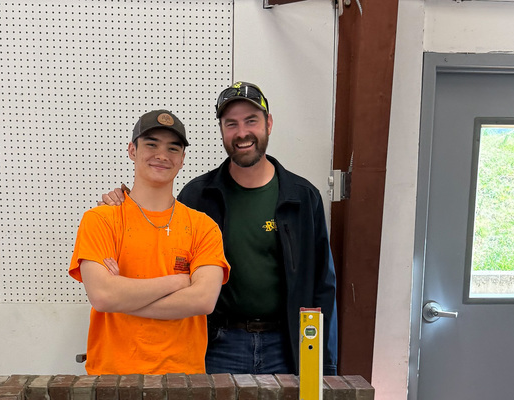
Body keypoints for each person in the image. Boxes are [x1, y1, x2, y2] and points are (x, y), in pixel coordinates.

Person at [102, 82, 338, 376]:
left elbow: (323, 287)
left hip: (287, 345)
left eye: (251, 121)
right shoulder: (199, 196)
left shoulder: (303, 197)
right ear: (222, 131)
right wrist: (125, 203)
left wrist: (324, 364)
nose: (242, 133)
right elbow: (159, 224)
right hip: (218, 344)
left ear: (269, 123)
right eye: (231, 124)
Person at [70, 110, 230, 376]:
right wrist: (178, 282)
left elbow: (203, 301)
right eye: (151, 144)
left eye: (172, 148)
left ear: (182, 160)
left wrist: (124, 297)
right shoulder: (100, 219)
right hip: (113, 379)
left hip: (185, 381)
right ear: (132, 150)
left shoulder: (203, 227)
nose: (161, 155)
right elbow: (103, 296)